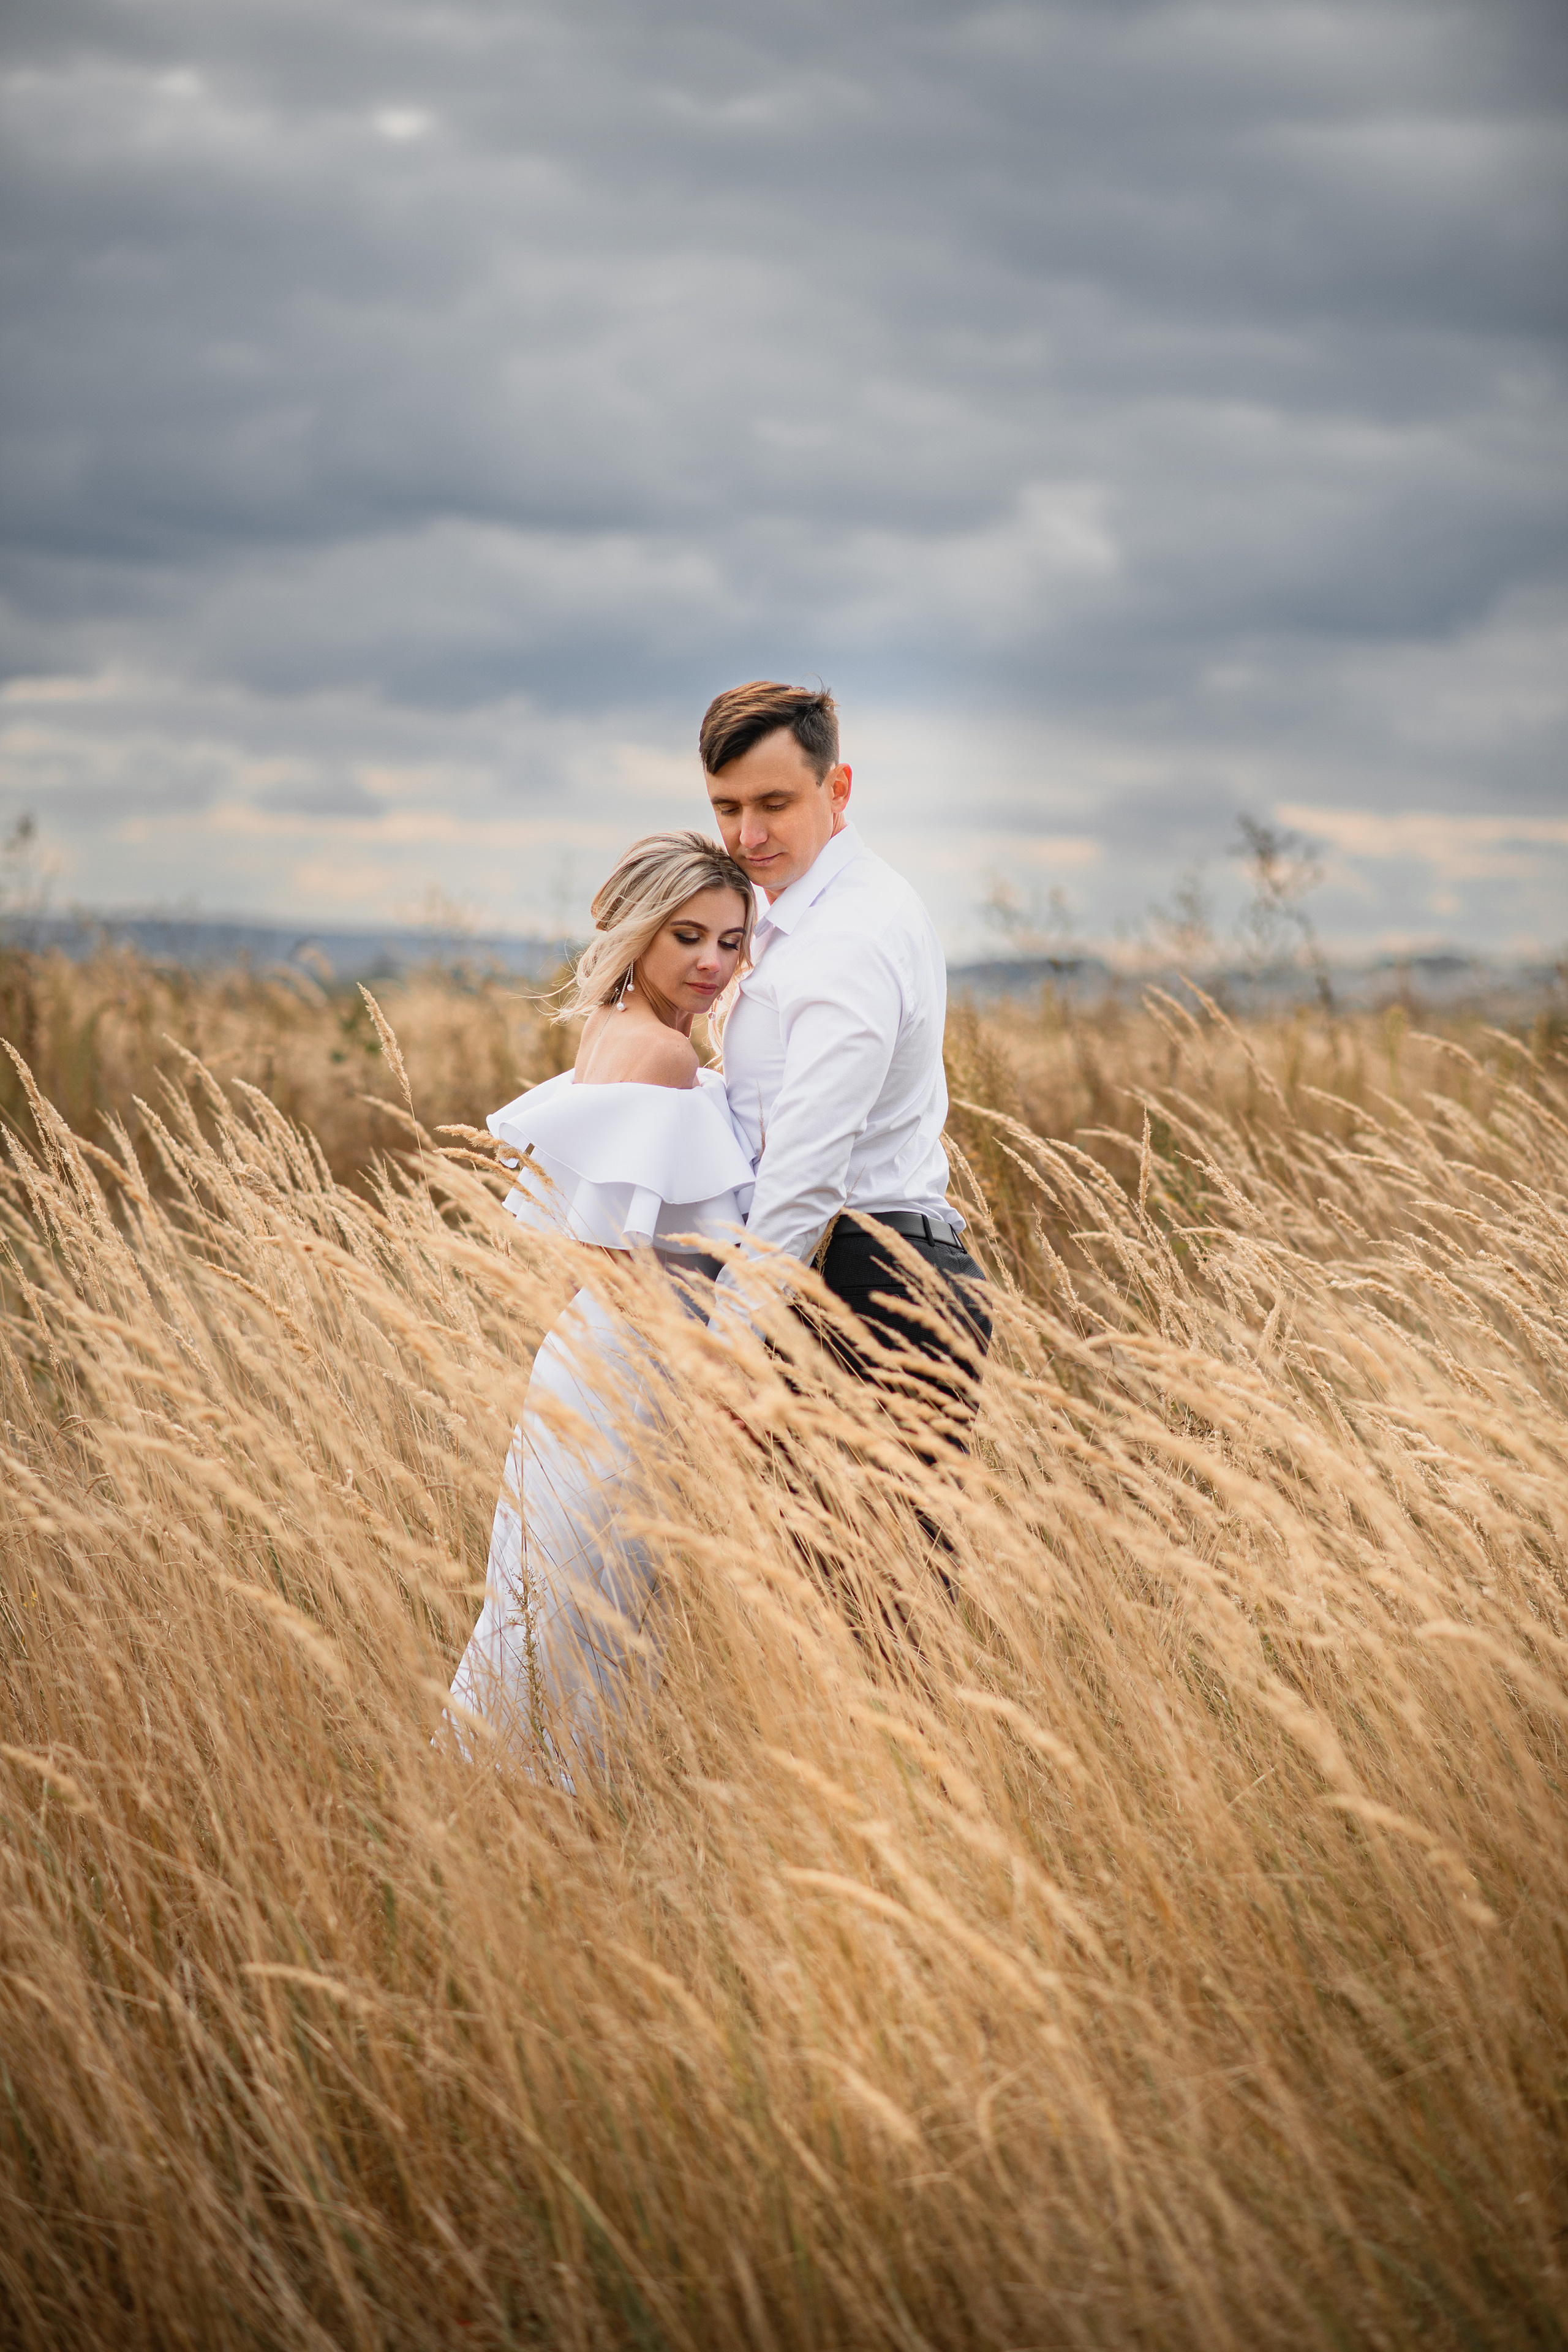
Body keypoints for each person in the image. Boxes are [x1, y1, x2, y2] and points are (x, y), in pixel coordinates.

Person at [448, 832, 756, 1776]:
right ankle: (539, 1814)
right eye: (688, 937)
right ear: (640, 936)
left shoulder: (616, 1034)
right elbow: (603, 1250)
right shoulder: (659, 1054)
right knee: (585, 1611)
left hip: (596, 1358)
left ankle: (510, 1809)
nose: (712, 962)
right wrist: (707, 1374)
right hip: (633, 1366)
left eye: (733, 943)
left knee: (550, 1604)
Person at [701, 680, 992, 1449]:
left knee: (874, 1570)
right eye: (726, 809)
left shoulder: (847, 937)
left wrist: (730, 1339)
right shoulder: (807, 917)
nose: (748, 833)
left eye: (773, 803)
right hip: (847, 1278)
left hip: (872, 1287)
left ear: (838, 789)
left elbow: (808, 1165)